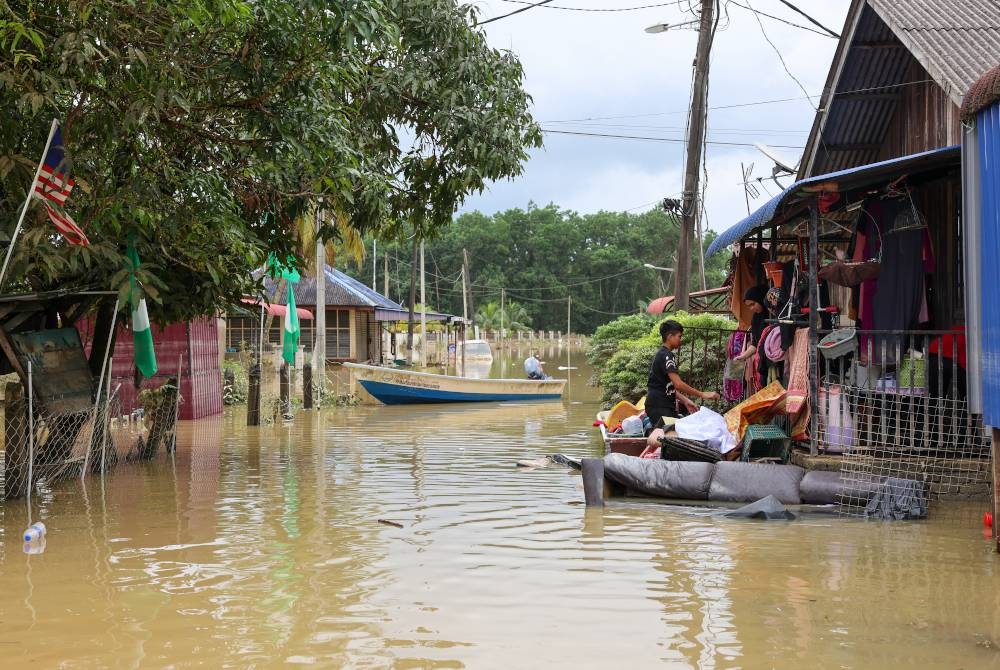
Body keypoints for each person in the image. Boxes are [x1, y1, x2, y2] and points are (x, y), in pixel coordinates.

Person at [645, 319, 720, 431]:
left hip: (659, 404)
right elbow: (678, 384)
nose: (681, 340)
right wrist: (703, 394)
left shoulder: (663, 354)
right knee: (667, 438)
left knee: (668, 437)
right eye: (679, 336)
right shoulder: (666, 356)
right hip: (659, 405)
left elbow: (667, 386)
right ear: (670, 336)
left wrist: (685, 400)